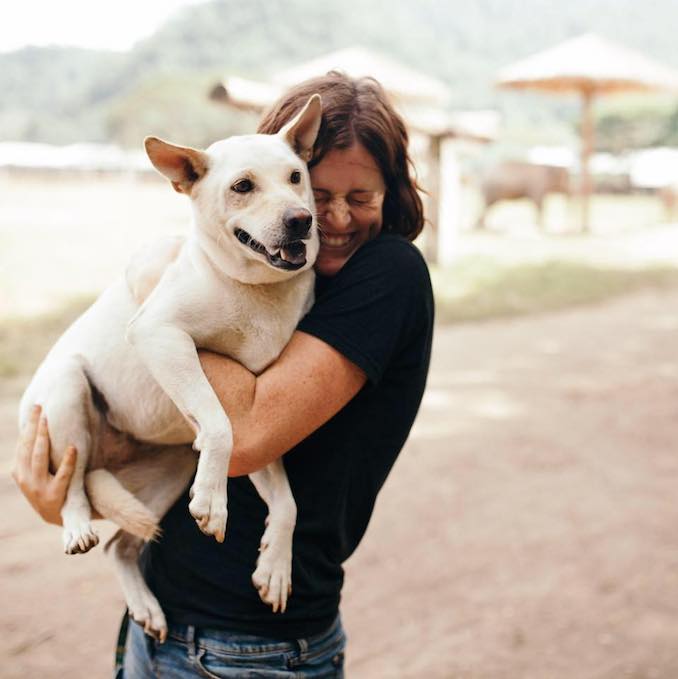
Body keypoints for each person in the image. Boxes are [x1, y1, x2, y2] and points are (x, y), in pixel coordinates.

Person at [13, 71, 434, 677]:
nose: (327, 219)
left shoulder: (388, 274)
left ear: (392, 194)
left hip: (251, 649)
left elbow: (245, 435)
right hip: (161, 625)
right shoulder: (270, 266)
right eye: (316, 195)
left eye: (362, 198)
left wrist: (155, 291)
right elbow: (163, 428)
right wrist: (64, 501)